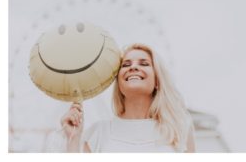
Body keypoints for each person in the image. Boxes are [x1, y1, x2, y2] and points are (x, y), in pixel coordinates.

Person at [60, 43, 196, 152]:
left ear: (157, 81)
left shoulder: (179, 129)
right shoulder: (98, 134)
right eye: (126, 65)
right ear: (118, 82)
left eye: (144, 63)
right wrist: (73, 139)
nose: (133, 67)